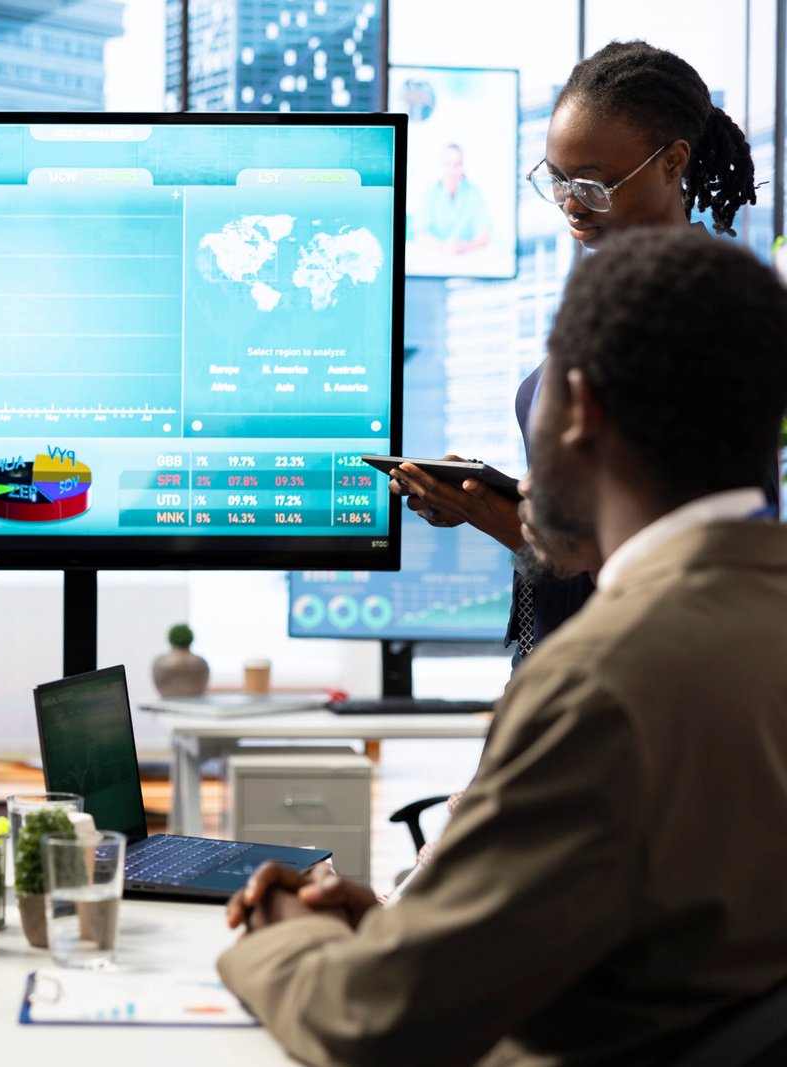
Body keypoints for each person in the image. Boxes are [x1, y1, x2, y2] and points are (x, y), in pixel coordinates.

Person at [219, 227, 787, 1065]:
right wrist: (400, 929)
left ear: (583, 408)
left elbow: (373, 1022)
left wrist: (278, 934)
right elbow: (668, 947)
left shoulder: (602, 682)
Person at [389, 40, 770, 661]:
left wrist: (489, 511)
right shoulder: (619, 296)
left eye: (594, 183)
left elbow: (645, 552)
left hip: (633, 673)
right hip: (566, 655)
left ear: (673, 162)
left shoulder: (703, 316)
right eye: (558, 178)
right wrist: (488, 500)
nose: (570, 203)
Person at [416, 143, 491, 254]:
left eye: (457, 164)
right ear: (441, 165)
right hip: (435, 256)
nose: (452, 169)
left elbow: (484, 237)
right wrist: (443, 247)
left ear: (462, 166)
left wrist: (464, 247)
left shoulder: (474, 193)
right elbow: (420, 235)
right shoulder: (429, 193)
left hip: (467, 257)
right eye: (447, 164)